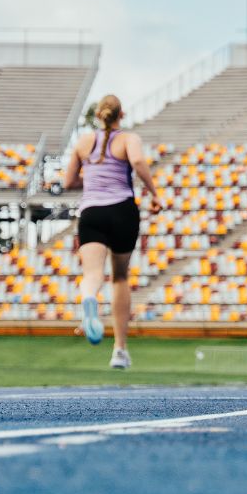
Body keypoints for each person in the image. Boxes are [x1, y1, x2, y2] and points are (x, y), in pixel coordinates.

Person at [60, 94, 158, 370]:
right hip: (122, 210)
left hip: (91, 212)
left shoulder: (83, 142)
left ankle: (89, 297)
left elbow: (68, 181)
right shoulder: (128, 139)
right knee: (120, 277)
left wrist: (92, 176)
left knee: (92, 275)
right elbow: (138, 162)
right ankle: (120, 350)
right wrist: (154, 192)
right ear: (121, 115)